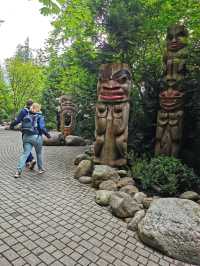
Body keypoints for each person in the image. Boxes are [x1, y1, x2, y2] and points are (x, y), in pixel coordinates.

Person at [14, 103, 51, 178]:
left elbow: (21, 126)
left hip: (26, 137)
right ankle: (40, 169)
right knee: (39, 153)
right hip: (36, 137)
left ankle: (18, 172)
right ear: (38, 109)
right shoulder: (40, 116)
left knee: (25, 154)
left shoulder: (26, 115)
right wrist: (47, 135)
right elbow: (41, 127)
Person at [10, 99, 36, 170]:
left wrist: (11, 125)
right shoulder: (34, 111)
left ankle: (31, 159)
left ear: (26, 104)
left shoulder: (23, 111)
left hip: (26, 132)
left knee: (26, 147)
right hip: (34, 132)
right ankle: (27, 162)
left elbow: (18, 120)